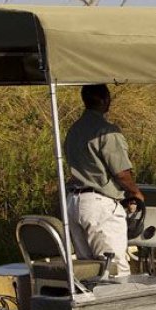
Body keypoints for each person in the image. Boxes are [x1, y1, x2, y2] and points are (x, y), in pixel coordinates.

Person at [64, 84, 144, 276]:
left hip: (74, 203)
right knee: (114, 266)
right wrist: (135, 193)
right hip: (99, 204)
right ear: (103, 99)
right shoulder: (106, 131)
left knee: (88, 268)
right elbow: (121, 172)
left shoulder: (74, 130)